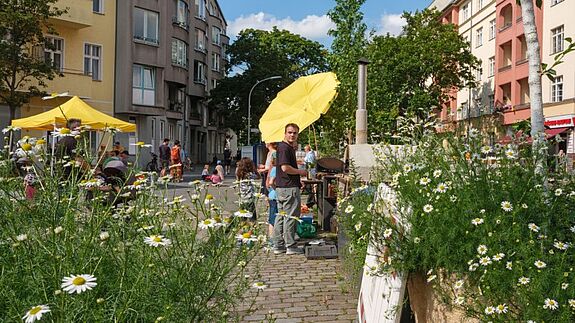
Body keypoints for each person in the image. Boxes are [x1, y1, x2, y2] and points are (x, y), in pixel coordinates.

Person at [273, 123, 307, 255]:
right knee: (290, 217)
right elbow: (285, 168)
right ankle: (290, 245)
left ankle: (278, 245)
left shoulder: (284, 147)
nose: (292, 135)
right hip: (288, 188)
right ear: (285, 133)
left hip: (283, 187)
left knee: (281, 217)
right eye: (290, 132)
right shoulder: (284, 148)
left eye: (295, 133)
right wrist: (300, 172)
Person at [236, 157, 257, 221]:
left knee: (243, 217)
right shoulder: (250, 174)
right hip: (250, 198)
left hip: (242, 198)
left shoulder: (239, 173)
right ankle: (252, 229)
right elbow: (258, 176)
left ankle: (243, 228)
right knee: (252, 217)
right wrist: (255, 170)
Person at [266, 152, 278, 239]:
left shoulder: (274, 168)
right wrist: (276, 188)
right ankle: (271, 239)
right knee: (273, 219)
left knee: (273, 218)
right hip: (274, 196)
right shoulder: (276, 169)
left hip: (272, 195)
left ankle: (273, 238)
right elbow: (271, 182)